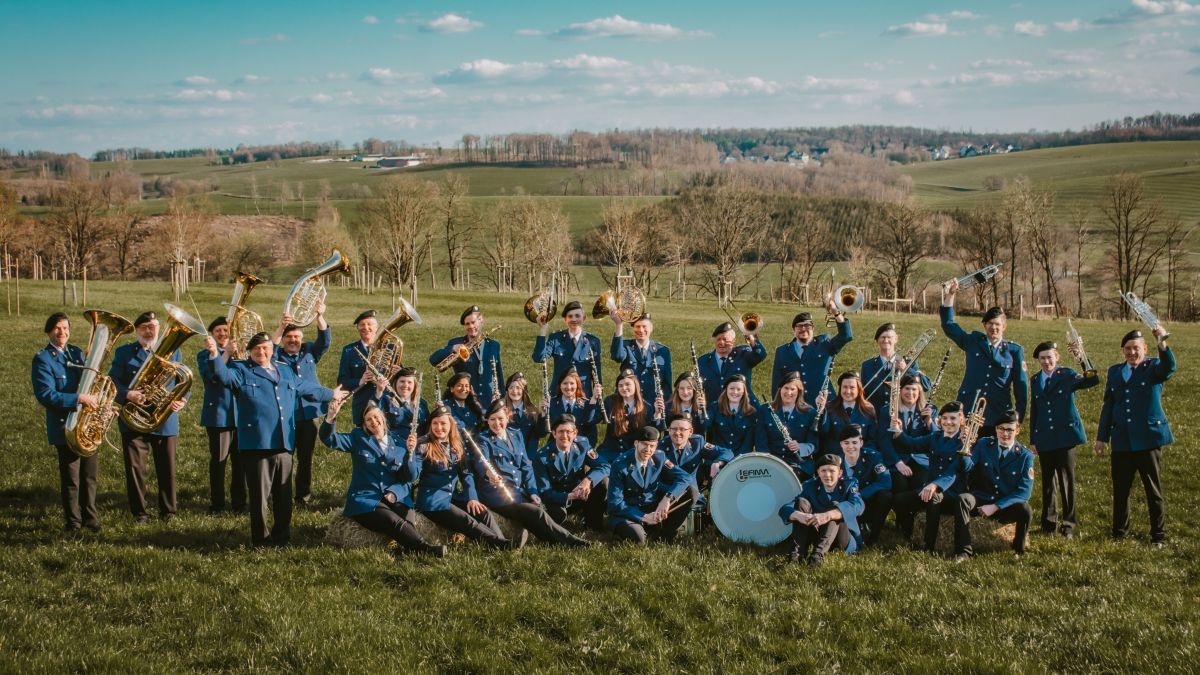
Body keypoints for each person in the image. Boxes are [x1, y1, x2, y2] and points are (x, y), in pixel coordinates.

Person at [207, 332, 336, 546]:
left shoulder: (284, 370)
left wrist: (332, 393)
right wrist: (215, 354)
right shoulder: (241, 370)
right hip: (256, 443)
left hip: (284, 443)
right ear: (250, 351)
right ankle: (261, 539)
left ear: (271, 350)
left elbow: (307, 389)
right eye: (257, 349)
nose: (261, 352)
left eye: (265, 348)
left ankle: (282, 536)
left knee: (284, 496)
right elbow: (222, 377)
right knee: (259, 498)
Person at [319, 397, 446, 558]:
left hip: (394, 497)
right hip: (366, 499)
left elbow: (410, 477)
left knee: (409, 520)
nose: (374, 421)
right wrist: (330, 417)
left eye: (376, 417)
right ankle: (426, 549)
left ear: (383, 419)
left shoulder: (400, 443)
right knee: (393, 521)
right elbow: (329, 439)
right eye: (368, 419)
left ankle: (407, 550)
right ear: (364, 424)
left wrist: (410, 454)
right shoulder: (358, 438)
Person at [468, 401, 591, 547]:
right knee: (536, 514)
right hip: (499, 495)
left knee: (538, 512)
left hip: (520, 491)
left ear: (507, 417)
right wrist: (490, 474)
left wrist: (533, 491)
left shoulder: (516, 434)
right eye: (492, 419)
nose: (497, 423)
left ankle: (551, 540)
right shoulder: (483, 439)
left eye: (500, 418)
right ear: (487, 421)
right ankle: (571, 541)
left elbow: (526, 465)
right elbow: (481, 461)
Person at [1095, 326, 1175, 547]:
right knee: (1121, 490)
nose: (1132, 353)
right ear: (1123, 350)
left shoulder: (1153, 367)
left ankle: (1158, 535)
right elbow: (1108, 406)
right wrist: (1102, 437)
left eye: (1136, 348)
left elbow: (1169, 368)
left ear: (1145, 348)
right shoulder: (1114, 371)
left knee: (1153, 490)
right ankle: (1119, 532)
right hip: (1122, 440)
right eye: (1128, 349)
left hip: (1148, 440)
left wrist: (1162, 343)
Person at [109, 310, 186, 523]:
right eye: (144, 327)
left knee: (167, 468)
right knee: (136, 470)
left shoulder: (173, 351)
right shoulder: (124, 353)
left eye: (152, 326)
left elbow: (183, 379)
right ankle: (140, 513)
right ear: (137, 331)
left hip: (164, 419)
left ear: (159, 329)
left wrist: (182, 399)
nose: (148, 330)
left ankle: (168, 511)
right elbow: (111, 381)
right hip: (134, 418)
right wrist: (127, 394)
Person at [31, 312, 101, 533]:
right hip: (65, 426)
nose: (62, 332)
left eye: (65, 328)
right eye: (57, 328)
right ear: (49, 331)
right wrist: (79, 398)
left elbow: (91, 385)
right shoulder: (43, 358)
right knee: (71, 479)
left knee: (89, 476)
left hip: (87, 425)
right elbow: (46, 395)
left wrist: (102, 404)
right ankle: (73, 522)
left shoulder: (78, 353)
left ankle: (90, 518)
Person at [411, 403, 514, 550]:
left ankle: (501, 543)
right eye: (435, 423)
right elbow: (412, 474)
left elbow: (466, 473)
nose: (439, 428)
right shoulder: (422, 444)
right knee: (466, 521)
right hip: (432, 501)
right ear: (430, 425)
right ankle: (500, 544)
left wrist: (472, 497)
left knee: (482, 512)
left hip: (452, 496)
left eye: (443, 423)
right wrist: (410, 455)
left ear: (450, 425)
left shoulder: (456, 444)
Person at [1028, 340, 1099, 538]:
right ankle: (1048, 523)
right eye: (1042, 358)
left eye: (1049, 357)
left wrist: (1082, 358)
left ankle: (1068, 524)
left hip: (1065, 436)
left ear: (1057, 357)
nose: (1046, 361)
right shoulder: (1035, 380)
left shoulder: (1066, 374)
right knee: (1048, 482)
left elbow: (1092, 381)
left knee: (1066, 481)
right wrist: (1033, 438)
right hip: (1045, 436)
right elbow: (1035, 410)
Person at [941, 280, 1029, 437]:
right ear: (984, 326)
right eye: (989, 323)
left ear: (1004, 327)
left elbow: (1021, 389)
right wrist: (951, 294)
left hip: (998, 412)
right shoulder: (973, 341)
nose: (993, 327)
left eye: (997, 324)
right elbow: (948, 325)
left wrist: (1017, 416)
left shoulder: (1014, 351)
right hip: (969, 408)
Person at [953, 410, 1034, 561]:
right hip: (981, 498)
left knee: (1025, 510)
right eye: (1001, 429)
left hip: (1004, 505)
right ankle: (963, 551)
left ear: (1017, 430)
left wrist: (996, 506)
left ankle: (1018, 550)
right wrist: (965, 449)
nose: (1005, 434)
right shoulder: (984, 444)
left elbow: (1024, 492)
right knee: (962, 499)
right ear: (996, 429)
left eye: (1009, 429)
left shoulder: (1025, 456)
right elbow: (967, 468)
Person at [889, 401, 970, 552]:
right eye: (944, 418)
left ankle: (928, 546)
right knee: (899, 500)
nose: (948, 422)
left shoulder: (965, 441)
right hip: (930, 487)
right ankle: (909, 535)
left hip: (952, 492)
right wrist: (899, 431)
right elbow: (912, 444)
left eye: (953, 419)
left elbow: (956, 470)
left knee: (934, 498)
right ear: (939, 420)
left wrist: (935, 485)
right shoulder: (935, 436)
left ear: (961, 420)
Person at [272, 302, 331, 507]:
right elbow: (269, 348)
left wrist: (319, 316)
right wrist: (281, 327)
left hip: (308, 413)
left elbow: (324, 342)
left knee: (306, 458)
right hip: (285, 415)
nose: (293, 340)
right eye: (289, 338)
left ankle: (303, 496)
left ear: (301, 339)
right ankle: (281, 494)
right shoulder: (276, 356)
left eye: (296, 337)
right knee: (284, 457)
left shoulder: (309, 352)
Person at [607, 426, 694, 544]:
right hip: (628, 513)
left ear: (656, 446)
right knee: (639, 539)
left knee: (691, 492)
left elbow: (685, 477)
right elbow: (615, 504)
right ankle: (630, 532)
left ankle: (665, 534)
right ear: (636, 443)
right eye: (644, 444)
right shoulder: (620, 464)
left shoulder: (659, 457)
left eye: (652, 446)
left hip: (652, 507)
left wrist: (667, 498)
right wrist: (643, 517)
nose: (648, 449)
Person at [779, 454, 865, 567]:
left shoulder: (849, 484)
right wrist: (797, 515)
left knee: (835, 507)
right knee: (801, 502)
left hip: (841, 537)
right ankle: (796, 554)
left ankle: (817, 556)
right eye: (823, 470)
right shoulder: (810, 486)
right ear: (818, 473)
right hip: (818, 533)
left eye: (832, 471)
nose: (827, 475)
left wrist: (829, 515)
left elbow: (858, 505)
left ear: (840, 473)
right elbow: (785, 508)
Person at [196, 316, 244, 514]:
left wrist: (234, 353)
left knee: (240, 464)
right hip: (219, 416)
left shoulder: (240, 354)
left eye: (226, 331)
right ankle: (217, 505)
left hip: (241, 416)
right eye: (218, 331)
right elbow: (213, 377)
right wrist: (224, 354)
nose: (223, 334)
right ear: (212, 335)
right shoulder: (204, 354)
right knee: (219, 462)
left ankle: (239, 504)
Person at [531, 414, 609, 531]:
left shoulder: (583, 445)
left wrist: (588, 481)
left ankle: (593, 526)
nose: (565, 436)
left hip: (580, 494)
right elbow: (544, 492)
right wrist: (570, 496)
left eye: (568, 431)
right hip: (558, 499)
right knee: (558, 515)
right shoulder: (542, 457)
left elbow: (604, 466)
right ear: (554, 433)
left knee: (602, 481)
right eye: (561, 431)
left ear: (575, 433)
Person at [772, 305, 852, 405]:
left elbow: (846, 335)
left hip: (825, 403)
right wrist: (778, 407)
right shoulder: (782, 351)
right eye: (799, 326)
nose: (803, 329)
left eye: (807, 326)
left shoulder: (824, 344)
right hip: (797, 406)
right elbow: (777, 383)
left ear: (813, 329)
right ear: (794, 330)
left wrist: (835, 311)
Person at [429, 305, 504, 405]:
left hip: (489, 400)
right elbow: (433, 360)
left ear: (481, 320)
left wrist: (503, 398)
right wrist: (452, 348)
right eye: (467, 324)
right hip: (466, 401)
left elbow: (499, 374)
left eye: (473, 322)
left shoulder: (494, 345)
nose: (471, 327)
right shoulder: (456, 343)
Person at [878, 374, 937, 496]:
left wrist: (929, 422)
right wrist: (897, 462)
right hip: (897, 458)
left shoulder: (930, 410)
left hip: (920, 459)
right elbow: (884, 440)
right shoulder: (888, 410)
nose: (910, 392)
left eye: (914, 389)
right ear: (900, 391)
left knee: (920, 484)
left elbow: (936, 438)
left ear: (919, 392)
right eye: (907, 389)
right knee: (900, 485)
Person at [754, 371, 818, 479]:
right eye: (786, 388)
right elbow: (761, 443)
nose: (788, 392)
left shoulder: (809, 413)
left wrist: (800, 447)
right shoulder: (765, 410)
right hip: (772, 462)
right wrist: (769, 462)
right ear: (780, 390)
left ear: (799, 392)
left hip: (798, 464)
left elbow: (814, 444)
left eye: (793, 389)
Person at [659, 413, 732, 506]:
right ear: (669, 430)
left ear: (690, 432)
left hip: (693, 495)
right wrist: (669, 496)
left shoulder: (697, 443)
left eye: (682, 429)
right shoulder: (660, 448)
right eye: (674, 429)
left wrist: (717, 463)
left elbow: (727, 452)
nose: (677, 433)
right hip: (667, 495)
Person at [533, 300, 602, 394]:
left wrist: (597, 396)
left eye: (577, 316)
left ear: (584, 318)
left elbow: (597, 372)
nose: (574, 319)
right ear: (565, 320)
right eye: (570, 316)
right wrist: (542, 331)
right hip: (559, 393)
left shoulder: (593, 341)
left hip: (583, 394)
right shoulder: (556, 338)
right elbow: (539, 357)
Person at [839, 424, 891, 546]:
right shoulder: (836, 462)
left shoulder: (873, 456)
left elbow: (886, 482)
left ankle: (874, 538)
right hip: (847, 506)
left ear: (861, 443)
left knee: (885, 496)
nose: (851, 447)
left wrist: (859, 495)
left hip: (868, 503)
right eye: (846, 443)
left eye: (854, 442)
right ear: (841, 444)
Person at [860, 322, 930, 413]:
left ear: (896, 339)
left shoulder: (909, 362)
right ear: (877, 340)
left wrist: (906, 369)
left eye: (889, 337)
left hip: (901, 416)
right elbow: (862, 393)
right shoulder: (867, 365)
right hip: (875, 415)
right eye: (882, 337)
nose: (886, 340)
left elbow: (926, 385)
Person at [609, 312, 672, 410]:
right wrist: (619, 325)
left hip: (653, 404)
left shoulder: (663, 351)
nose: (641, 330)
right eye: (637, 326)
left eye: (644, 326)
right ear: (633, 328)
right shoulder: (626, 346)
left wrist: (666, 406)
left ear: (651, 328)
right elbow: (617, 356)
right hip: (629, 403)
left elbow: (667, 384)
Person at [697, 321, 767, 406]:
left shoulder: (743, 354)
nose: (721, 343)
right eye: (718, 339)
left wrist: (752, 339)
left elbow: (760, 354)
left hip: (744, 408)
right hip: (715, 410)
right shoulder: (703, 361)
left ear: (734, 341)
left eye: (725, 339)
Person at [598, 368, 658, 465]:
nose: (624, 388)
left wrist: (657, 415)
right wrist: (594, 399)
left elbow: (652, 434)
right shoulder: (610, 401)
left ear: (636, 386)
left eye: (627, 384)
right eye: (620, 386)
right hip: (609, 453)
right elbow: (593, 419)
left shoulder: (646, 407)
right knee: (604, 479)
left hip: (633, 455)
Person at [337, 309, 382, 426]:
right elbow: (342, 382)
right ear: (357, 328)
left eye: (369, 324)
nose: (365, 327)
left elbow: (399, 377)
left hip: (385, 404)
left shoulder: (389, 347)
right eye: (362, 325)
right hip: (362, 406)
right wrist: (360, 381)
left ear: (377, 327)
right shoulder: (349, 350)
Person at [819, 372, 878, 456]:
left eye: (852, 387)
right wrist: (821, 410)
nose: (848, 391)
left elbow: (872, 439)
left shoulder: (868, 409)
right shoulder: (829, 407)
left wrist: (864, 456)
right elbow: (823, 433)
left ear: (859, 389)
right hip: (836, 457)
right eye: (845, 387)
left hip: (860, 456)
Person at [706, 374, 758, 456]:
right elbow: (705, 425)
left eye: (739, 389)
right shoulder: (715, 407)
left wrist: (736, 461)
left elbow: (748, 444)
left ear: (744, 391)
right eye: (732, 388)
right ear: (726, 390)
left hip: (740, 459)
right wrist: (701, 410)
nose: (735, 392)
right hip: (717, 456)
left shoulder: (751, 412)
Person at [548, 367, 601, 448]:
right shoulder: (552, 403)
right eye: (565, 383)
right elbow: (543, 430)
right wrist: (543, 412)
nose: (568, 387)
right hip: (557, 446)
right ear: (560, 385)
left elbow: (590, 422)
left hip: (582, 447)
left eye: (572, 383)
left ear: (578, 385)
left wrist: (593, 399)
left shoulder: (588, 403)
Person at [375, 367, 429, 442]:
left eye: (409, 382)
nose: (405, 385)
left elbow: (428, 426)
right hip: (395, 446)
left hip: (418, 445)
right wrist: (379, 391)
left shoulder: (422, 403)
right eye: (402, 381)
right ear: (396, 383)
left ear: (414, 385)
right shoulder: (386, 399)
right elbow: (374, 412)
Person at [501, 371, 543, 456]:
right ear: (507, 390)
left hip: (527, 456)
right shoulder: (502, 410)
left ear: (524, 390)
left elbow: (535, 436)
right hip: (507, 455)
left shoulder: (533, 411)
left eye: (518, 388)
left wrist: (530, 458)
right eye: (511, 387)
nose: (514, 391)